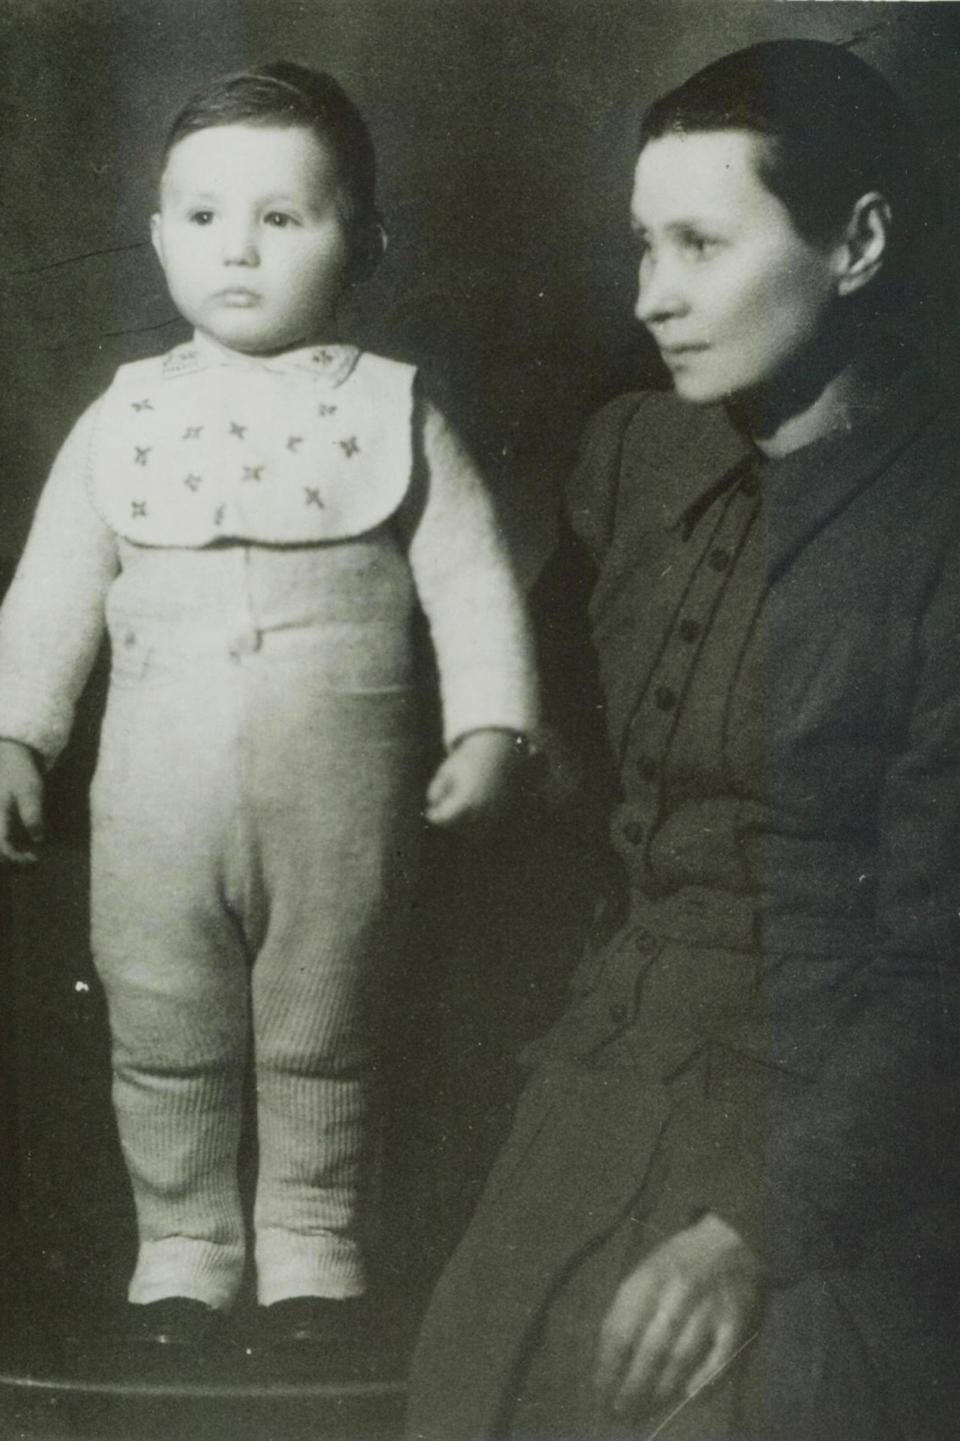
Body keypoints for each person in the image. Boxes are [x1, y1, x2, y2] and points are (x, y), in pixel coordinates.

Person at [407, 39, 960, 1441]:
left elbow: (940, 964)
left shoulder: (940, 522)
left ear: (860, 243)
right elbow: (536, 743)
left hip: (851, 1112)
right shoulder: (636, 456)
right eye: (642, 244)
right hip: (607, 1058)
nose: (652, 295)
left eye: (701, 245)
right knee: (480, 1374)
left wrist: (752, 1234)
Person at [0, 60, 537, 1365]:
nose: (235, 248)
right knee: (163, 1020)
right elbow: (51, 594)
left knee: (323, 1022)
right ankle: (180, 1249)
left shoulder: (396, 410)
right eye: (201, 216)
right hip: (154, 805)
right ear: (157, 235)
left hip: (339, 801)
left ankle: (312, 1244)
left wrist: (491, 727)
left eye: (282, 218)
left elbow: (471, 581)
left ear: (365, 237)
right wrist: (16, 733)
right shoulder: (119, 421)